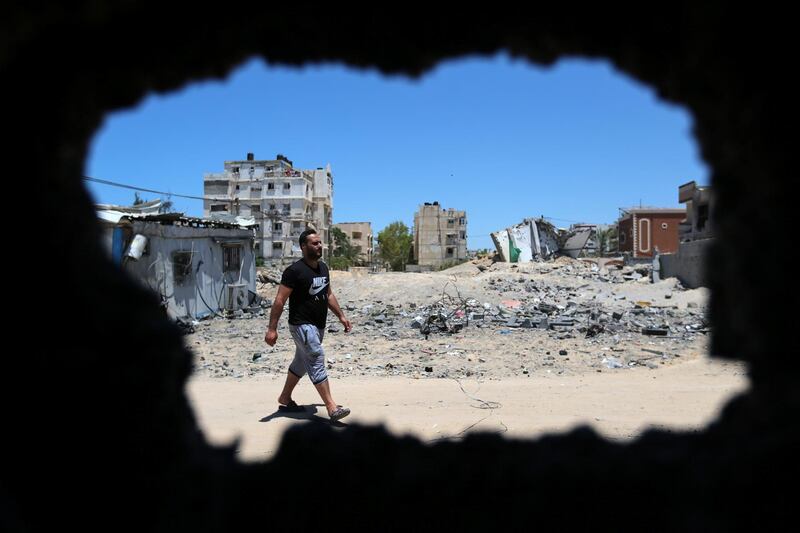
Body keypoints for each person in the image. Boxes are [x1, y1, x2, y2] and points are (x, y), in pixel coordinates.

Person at [264, 229, 352, 421]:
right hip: (301, 325)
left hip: (318, 326)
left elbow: (328, 294)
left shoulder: (323, 268)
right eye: (314, 243)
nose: (319, 246)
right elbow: (279, 300)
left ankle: (285, 398)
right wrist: (272, 329)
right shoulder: (294, 271)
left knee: (301, 363)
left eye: (320, 243)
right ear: (303, 247)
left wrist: (341, 316)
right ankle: (332, 407)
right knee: (316, 356)